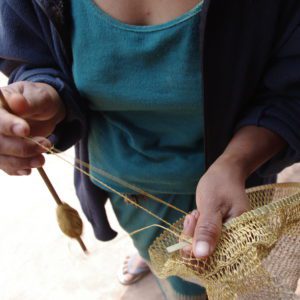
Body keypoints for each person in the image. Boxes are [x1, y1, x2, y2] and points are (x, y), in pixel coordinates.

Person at [0, 0, 300, 299]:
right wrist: (44, 93)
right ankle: (152, 256)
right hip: (128, 192)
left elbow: (290, 89)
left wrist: (236, 162)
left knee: (225, 273)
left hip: (237, 184)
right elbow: (33, 55)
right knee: (170, 265)